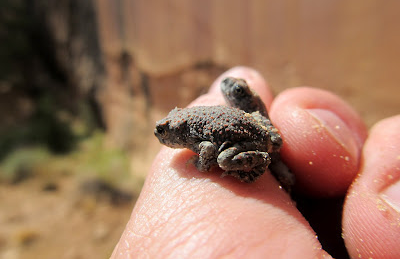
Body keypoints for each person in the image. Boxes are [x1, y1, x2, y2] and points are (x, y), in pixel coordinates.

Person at [111, 67, 400, 258]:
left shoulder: (195, 136)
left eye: (164, 130)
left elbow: (209, 149)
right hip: (250, 129)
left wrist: (201, 166)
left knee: (224, 159)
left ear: (178, 129)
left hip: (252, 140)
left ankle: (258, 165)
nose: (160, 133)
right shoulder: (191, 126)